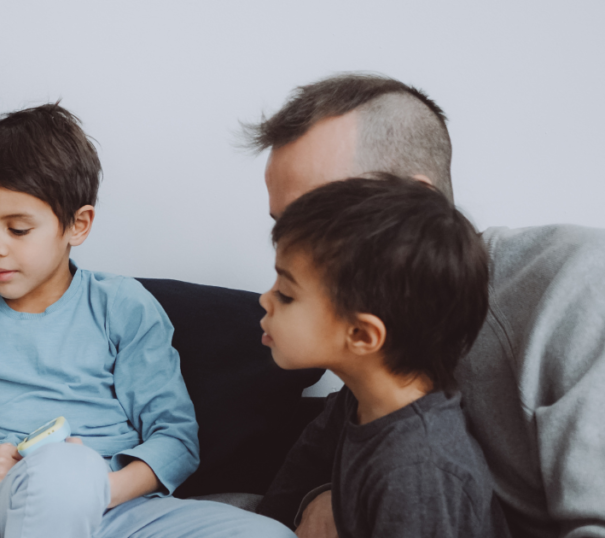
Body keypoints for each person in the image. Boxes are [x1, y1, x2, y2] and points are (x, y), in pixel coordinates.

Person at [0, 104, 295, 538]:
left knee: (269, 534)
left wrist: (100, 487)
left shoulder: (124, 306)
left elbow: (175, 439)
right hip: (14, 504)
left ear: (77, 225)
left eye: (18, 229)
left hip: (122, 508)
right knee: (64, 471)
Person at [250, 73, 605, 538]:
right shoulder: (382, 364)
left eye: (320, 215)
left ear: (415, 200)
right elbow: (285, 492)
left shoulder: (581, 287)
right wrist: (320, 499)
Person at [260, 175, 510, 537]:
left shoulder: (417, 471)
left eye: (285, 293)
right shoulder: (367, 407)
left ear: (361, 335)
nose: (264, 300)